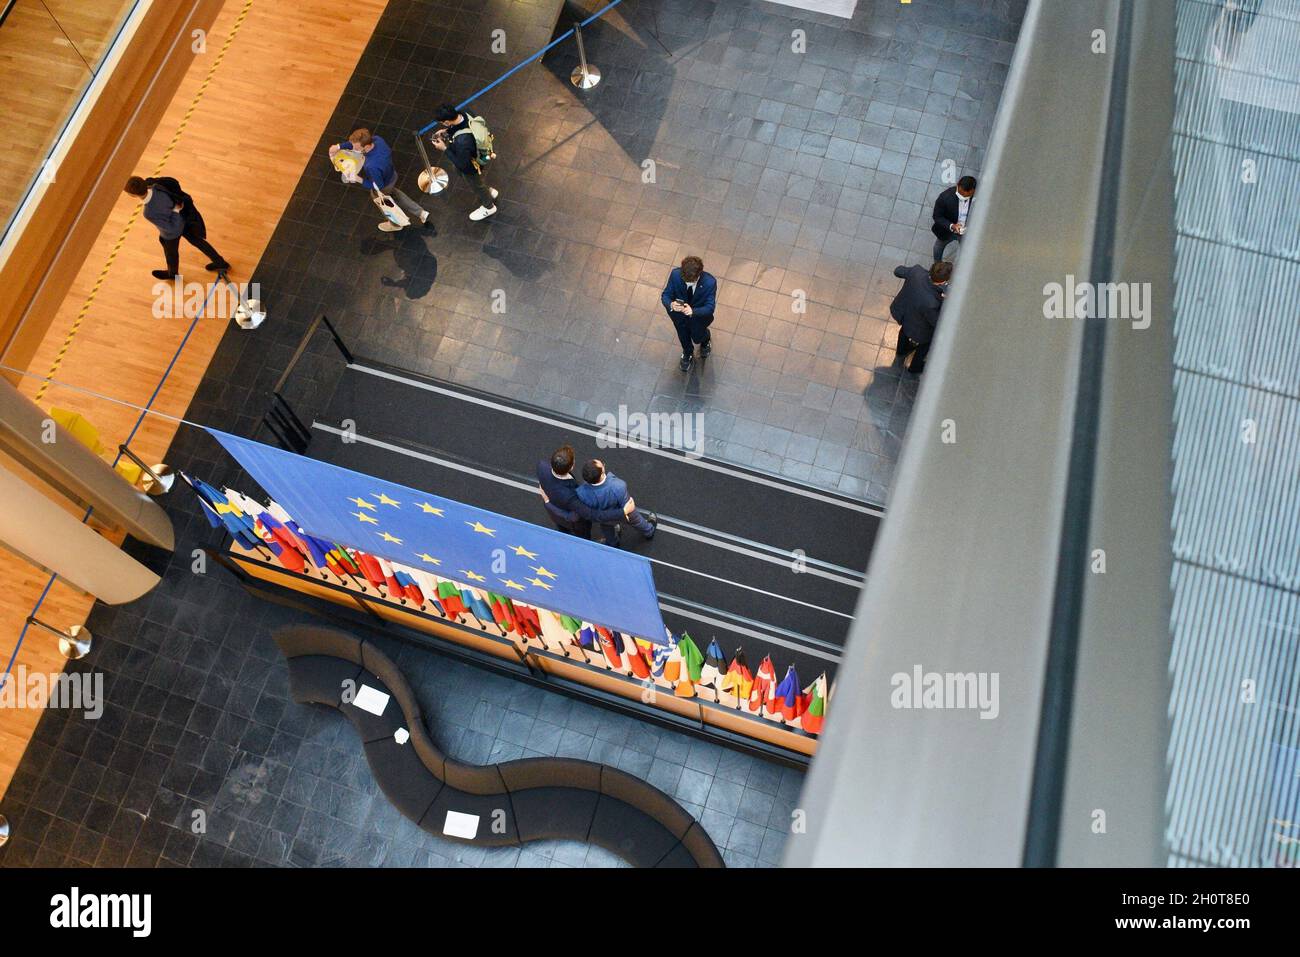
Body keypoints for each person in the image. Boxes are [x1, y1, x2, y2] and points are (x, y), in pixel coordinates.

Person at [124, 175, 229, 280]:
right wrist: (177, 210)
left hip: (172, 232)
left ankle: (172, 274)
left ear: (133, 195)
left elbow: (170, 228)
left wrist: (175, 211)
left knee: (171, 254)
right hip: (185, 218)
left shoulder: (149, 212)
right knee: (199, 242)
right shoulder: (157, 186)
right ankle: (220, 262)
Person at [329, 128, 428, 232]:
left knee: (385, 205)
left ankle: (395, 224)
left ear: (366, 146)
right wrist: (339, 146)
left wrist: (358, 179)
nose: (353, 148)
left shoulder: (371, 166)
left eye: (356, 148)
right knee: (395, 194)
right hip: (391, 175)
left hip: (383, 185)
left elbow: (378, 186)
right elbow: (354, 145)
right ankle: (420, 213)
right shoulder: (377, 140)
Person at [535, 445, 629, 538]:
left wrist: (548, 503)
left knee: (562, 530)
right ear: (571, 466)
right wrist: (622, 512)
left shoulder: (542, 466)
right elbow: (592, 514)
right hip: (573, 521)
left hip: (555, 514)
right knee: (583, 536)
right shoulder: (570, 497)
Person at [430, 104, 498, 221]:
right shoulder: (465, 112)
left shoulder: (462, 141)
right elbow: (463, 127)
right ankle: (488, 191)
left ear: (446, 121)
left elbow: (463, 166)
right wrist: (448, 130)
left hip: (471, 165)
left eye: (442, 123)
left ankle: (489, 206)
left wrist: (444, 149)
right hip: (478, 153)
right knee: (479, 184)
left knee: (475, 185)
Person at [889, 261, 951, 375]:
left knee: (904, 332)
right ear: (943, 281)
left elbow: (898, 271)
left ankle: (901, 351)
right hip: (919, 329)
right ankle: (915, 367)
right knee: (925, 344)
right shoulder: (932, 302)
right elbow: (936, 322)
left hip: (904, 314)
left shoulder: (916, 271)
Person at [576, 459, 657, 547]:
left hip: (604, 519)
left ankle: (613, 543)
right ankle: (649, 531)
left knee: (607, 532)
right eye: (602, 464)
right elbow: (627, 505)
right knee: (636, 521)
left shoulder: (581, 492)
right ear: (602, 472)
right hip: (623, 514)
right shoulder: (618, 486)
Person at [660, 255, 717, 373]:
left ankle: (705, 339)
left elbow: (710, 307)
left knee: (698, 337)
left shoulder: (710, 283)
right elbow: (666, 295)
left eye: (690, 282)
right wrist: (671, 304)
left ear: (699, 275)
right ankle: (687, 353)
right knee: (683, 335)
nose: (687, 283)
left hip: (698, 318)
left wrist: (693, 311)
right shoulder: (676, 275)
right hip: (679, 316)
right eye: (685, 281)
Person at [931, 175, 977, 262]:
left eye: (966, 196)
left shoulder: (978, 198)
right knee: (938, 248)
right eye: (960, 193)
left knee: (967, 250)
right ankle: (937, 265)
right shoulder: (944, 197)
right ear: (957, 185)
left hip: (967, 232)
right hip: (948, 231)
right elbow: (937, 216)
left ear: (973, 191)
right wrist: (952, 226)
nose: (962, 196)